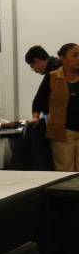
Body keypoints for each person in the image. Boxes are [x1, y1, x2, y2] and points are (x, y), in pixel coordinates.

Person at [32, 43, 79, 171]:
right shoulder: (52, 76)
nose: (78, 58)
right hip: (62, 130)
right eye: (75, 55)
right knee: (65, 169)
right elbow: (39, 100)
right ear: (63, 58)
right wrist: (35, 117)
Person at [27, 44, 64, 123]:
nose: (34, 70)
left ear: (36, 60)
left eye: (32, 66)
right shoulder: (54, 65)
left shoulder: (55, 69)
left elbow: (40, 96)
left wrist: (35, 118)